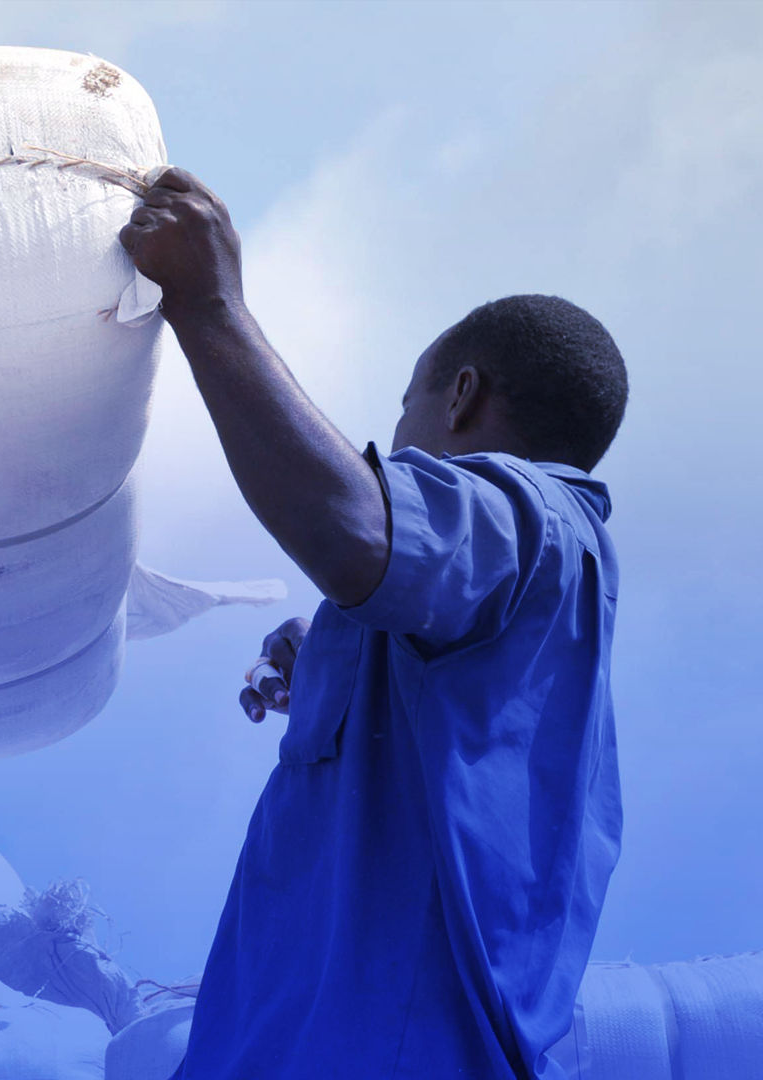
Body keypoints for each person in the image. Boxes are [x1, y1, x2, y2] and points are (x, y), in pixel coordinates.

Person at [120, 170, 626, 1078]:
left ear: (461, 396)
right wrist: (332, 659)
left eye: (405, 409)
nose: (396, 444)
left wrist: (208, 304)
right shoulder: (542, 592)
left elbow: (354, 527)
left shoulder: (528, 514)